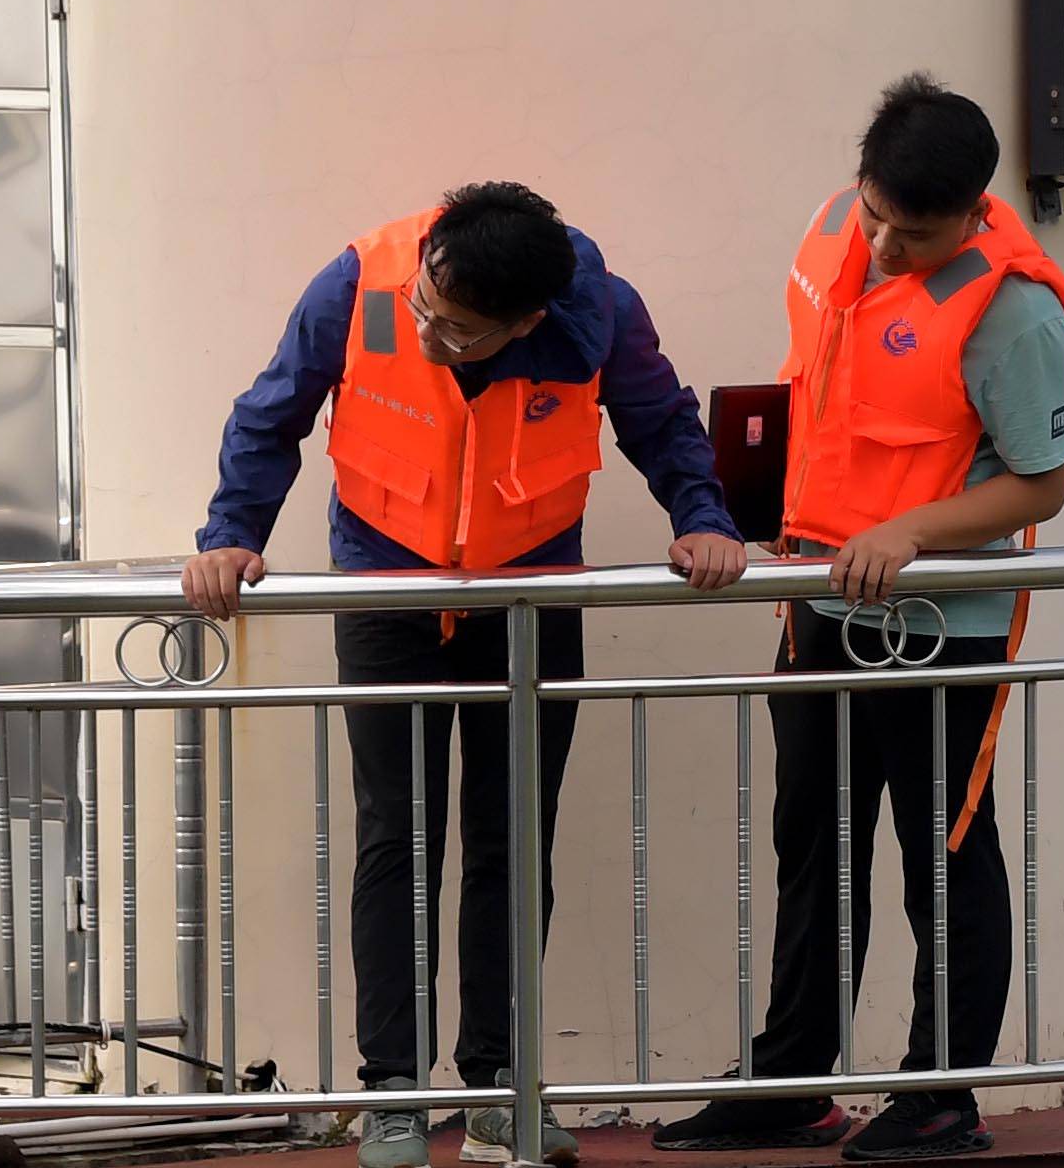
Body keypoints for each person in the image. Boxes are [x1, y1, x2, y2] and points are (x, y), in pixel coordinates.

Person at [183, 179, 746, 1104]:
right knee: (395, 840)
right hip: (386, 587)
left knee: (512, 842)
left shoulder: (598, 315)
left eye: (455, 331)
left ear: (525, 323)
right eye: (425, 307)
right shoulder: (363, 280)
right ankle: (393, 1092)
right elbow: (270, 413)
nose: (428, 334)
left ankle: (498, 1086)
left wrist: (701, 517)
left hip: (526, 598)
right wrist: (231, 535)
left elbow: (663, 422)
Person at [663, 78, 1064, 1159]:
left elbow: (1041, 485)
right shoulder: (838, 231)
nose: (889, 246)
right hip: (815, 598)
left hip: (945, 624)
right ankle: (792, 1077)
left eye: (919, 234)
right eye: (879, 217)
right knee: (815, 841)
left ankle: (942, 1093)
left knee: (942, 849)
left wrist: (914, 532)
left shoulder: (1013, 309)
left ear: (975, 211)